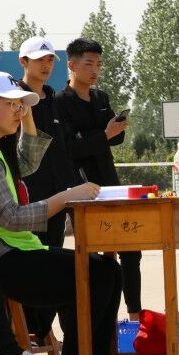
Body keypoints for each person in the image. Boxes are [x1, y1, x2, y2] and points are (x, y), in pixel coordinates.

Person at [0, 72, 142, 355]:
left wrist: (26, 111)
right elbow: (11, 218)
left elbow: (29, 160)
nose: (18, 111)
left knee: (106, 270)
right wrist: (65, 197)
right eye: (11, 105)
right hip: (6, 259)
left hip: (18, 251)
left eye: (21, 106)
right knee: (98, 275)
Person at [54, 37, 144, 320]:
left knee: (130, 250)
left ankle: (135, 316)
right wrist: (102, 136)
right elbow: (68, 149)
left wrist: (115, 131)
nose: (95, 70)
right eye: (88, 64)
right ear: (72, 66)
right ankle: (97, 319)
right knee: (94, 257)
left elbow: (111, 142)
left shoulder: (101, 98)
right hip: (83, 190)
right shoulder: (60, 103)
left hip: (111, 183)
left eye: (99, 65)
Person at [14, 37, 78, 341]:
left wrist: (70, 193)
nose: (46, 65)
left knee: (54, 262)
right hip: (25, 204)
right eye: (39, 59)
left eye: (50, 59)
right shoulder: (12, 100)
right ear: (23, 62)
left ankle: (40, 331)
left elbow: (62, 151)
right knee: (31, 269)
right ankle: (24, 333)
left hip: (57, 198)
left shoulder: (54, 100)